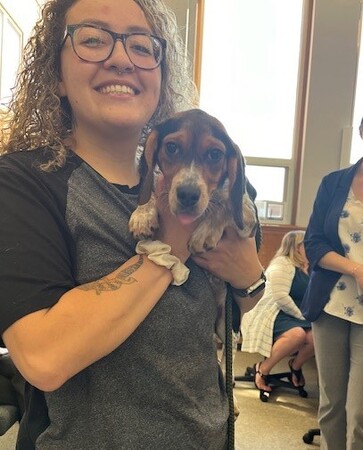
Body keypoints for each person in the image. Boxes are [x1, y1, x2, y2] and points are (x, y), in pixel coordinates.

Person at [0, 1, 264, 448]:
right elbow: (44, 356)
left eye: (141, 46)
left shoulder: (230, 190)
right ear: (57, 77)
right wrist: (172, 243)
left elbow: (237, 307)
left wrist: (249, 278)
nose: (121, 58)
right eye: (93, 39)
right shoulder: (22, 183)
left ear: (160, 80)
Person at [300, 121, 363, 450]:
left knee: (360, 412)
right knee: (331, 405)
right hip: (330, 306)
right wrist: (355, 269)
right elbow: (313, 243)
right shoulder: (334, 183)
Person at [241, 230, 314, 394]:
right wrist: (302, 316)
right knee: (297, 335)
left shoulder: (308, 267)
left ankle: (295, 367)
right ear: (296, 247)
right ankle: (263, 369)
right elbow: (281, 297)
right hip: (276, 313)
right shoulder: (282, 263)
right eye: (307, 244)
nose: (311, 247)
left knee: (316, 336)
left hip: (297, 314)